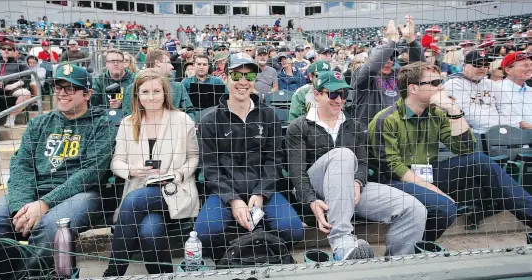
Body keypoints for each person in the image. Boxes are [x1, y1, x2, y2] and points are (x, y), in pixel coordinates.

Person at [0, 64, 116, 276]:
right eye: (58, 88)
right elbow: (21, 165)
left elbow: (90, 173)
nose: (62, 94)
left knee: (51, 229)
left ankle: (30, 276)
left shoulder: (101, 124)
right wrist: (21, 207)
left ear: (88, 94)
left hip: (81, 194)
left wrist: (44, 203)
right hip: (34, 192)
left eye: (70, 88)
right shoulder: (39, 123)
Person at [368, 62, 532, 242]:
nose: (442, 86)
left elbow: (465, 148)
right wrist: (434, 190)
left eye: (441, 81)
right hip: (394, 182)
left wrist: (454, 112)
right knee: (444, 207)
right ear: (413, 88)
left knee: (479, 161)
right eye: (435, 83)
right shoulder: (386, 119)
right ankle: (417, 248)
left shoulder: (437, 113)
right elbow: (392, 167)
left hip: (428, 173)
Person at [287, 71, 427, 260]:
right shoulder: (299, 126)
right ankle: (342, 243)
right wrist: (311, 199)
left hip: (349, 189)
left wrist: (358, 182)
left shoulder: (354, 125)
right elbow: (297, 172)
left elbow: (362, 162)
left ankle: (399, 264)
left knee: (412, 208)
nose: (339, 100)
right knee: (343, 155)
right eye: (333, 94)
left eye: (344, 94)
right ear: (317, 94)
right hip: (314, 187)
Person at [194, 53, 304, 257]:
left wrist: (261, 193)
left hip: (262, 190)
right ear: (226, 77)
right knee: (203, 233)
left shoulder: (268, 115)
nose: (243, 82)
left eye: (249, 76)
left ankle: (270, 254)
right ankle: (230, 259)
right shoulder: (209, 121)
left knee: (294, 230)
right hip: (226, 193)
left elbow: (274, 160)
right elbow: (210, 169)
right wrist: (233, 200)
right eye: (236, 75)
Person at [103, 69, 200, 276]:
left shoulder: (182, 120)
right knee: (149, 230)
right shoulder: (128, 123)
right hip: (141, 189)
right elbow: (116, 162)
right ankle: (164, 275)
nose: (151, 96)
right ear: (137, 96)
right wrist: (131, 170)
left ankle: (113, 273)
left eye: (156, 91)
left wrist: (179, 174)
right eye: (145, 92)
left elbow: (194, 157)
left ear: (165, 93)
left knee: (132, 201)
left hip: (175, 190)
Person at [351, 16, 424, 125]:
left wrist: (412, 41)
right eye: (385, 58)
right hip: (369, 135)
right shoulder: (360, 73)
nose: (389, 61)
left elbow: (418, 68)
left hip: (396, 131)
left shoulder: (397, 73)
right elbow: (371, 69)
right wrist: (392, 41)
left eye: (392, 58)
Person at [444, 51, 512, 134]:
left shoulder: (490, 83)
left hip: (500, 132)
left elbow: (506, 107)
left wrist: (504, 127)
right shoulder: (453, 84)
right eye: (477, 64)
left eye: (486, 65)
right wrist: (496, 128)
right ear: (464, 66)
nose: (482, 68)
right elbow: (468, 114)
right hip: (472, 135)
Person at [124, 50, 194, 119]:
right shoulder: (133, 88)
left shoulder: (178, 87)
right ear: (158, 63)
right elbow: (128, 116)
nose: (172, 67)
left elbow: (190, 112)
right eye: (168, 62)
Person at [0, 40, 33, 128]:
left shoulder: (20, 64)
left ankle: (11, 117)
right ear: (0, 50)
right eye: (3, 48)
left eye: (9, 49)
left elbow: (27, 77)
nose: (6, 50)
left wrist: (14, 85)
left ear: (14, 52)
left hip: (12, 89)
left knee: (26, 94)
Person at [495, 51, 532, 129]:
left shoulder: (530, 90)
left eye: (531, 65)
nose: (530, 68)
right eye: (525, 66)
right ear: (508, 70)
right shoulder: (498, 89)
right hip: (513, 138)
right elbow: (516, 122)